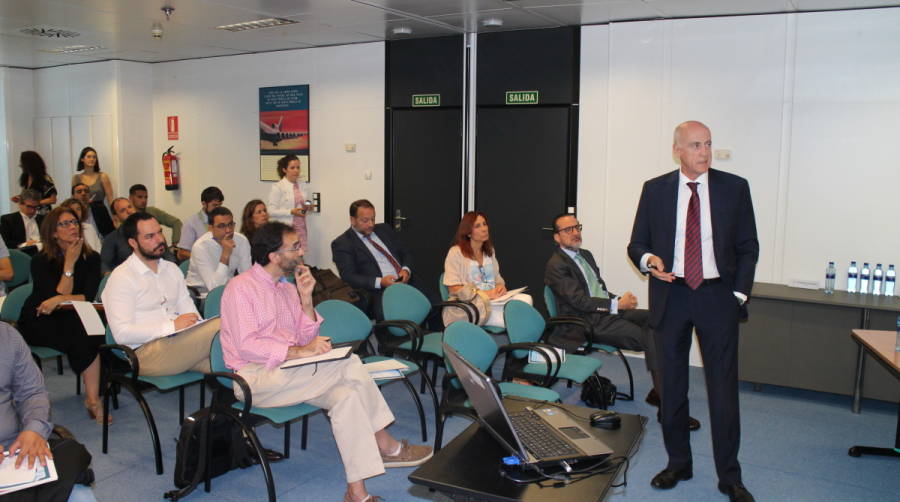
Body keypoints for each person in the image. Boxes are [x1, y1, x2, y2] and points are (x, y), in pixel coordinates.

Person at [220, 222, 432, 502]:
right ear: (274, 256)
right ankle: (387, 445)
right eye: (295, 246)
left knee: (346, 396)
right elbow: (248, 346)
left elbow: (303, 334)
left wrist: (306, 301)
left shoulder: (285, 288)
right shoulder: (241, 288)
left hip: (289, 372)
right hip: (253, 378)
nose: (302, 250)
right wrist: (298, 352)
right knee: (350, 364)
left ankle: (357, 491)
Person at [627, 120, 759, 502]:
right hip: (673, 295)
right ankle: (678, 463)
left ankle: (730, 476)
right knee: (671, 387)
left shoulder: (734, 188)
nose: (705, 152)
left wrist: (738, 294)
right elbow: (638, 243)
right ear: (678, 150)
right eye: (697, 145)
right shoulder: (655, 190)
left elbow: (749, 245)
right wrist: (649, 259)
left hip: (718, 296)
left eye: (709, 144)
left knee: (722, 388)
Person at [544, 213, 699, 428]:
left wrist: (618, 301)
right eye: (567, 230)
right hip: (587, 322)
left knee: (663, 319)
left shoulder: (585, 255)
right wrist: (617, 305)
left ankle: (658, 392)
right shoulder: (556, 265)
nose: (575, 232)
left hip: (606, 312)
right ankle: (668, 406)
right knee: (650, 336)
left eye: (576, 227)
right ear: (556, 238)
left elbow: (598, 290)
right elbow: (579, 301)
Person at [17, 207, 106, 424]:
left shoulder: (92, 257)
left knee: (94, 326)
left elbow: (87, 295)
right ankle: (94, 399)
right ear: (54, 233)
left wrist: (60, 299)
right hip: (38, 318)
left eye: (74, 222)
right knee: (81, 328)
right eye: (64, 224)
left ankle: (93, 397)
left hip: (71, 313)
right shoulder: (40, 260)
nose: (72, 227)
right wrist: (69, 264)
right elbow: (52, 298)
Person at [102, 212, 219, 376]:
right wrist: (172, 326)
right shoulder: (122, 278)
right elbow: (122, 334)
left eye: (160, 232)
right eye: (150, 236)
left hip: (179, 343)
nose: (160, 240)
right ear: (133, 243)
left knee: (235, 366)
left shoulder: (171, 269)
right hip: (145, 354)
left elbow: (190, 312)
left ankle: (222, 399)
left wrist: (197, 326)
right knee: (223, 325)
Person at [0, 322, 93, 502]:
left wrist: (33, 429)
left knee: (73, 463)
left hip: (16, 452)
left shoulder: (6, 336)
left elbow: (32, 392)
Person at [443, 211, 531, 328]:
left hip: (493, 301)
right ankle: (522, 344)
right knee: (517, 319)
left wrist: (500, 286)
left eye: (484, 224)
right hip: (470, 305)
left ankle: (521, 343)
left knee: (526, 299)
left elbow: (498, 278)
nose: (484, 229)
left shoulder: (489, 251)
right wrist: (485, 294)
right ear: (468, 233)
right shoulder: (455, 252)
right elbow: (453, 289)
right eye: (478, 226)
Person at [331, 199, 415, 320]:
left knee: (433, 306)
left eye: (373, 219)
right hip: (379, 291)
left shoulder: (385, 229)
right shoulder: (342, 243)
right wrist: (380, 282)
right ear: (352, 220)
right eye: (365, 220)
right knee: (396, 319)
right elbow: (348, 276)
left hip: (406, 280)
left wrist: (406, 270)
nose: (371, 224)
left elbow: (406, 252)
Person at [185, 207, 250, 297]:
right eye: (221, 226)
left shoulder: (241, 241)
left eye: (230, 224)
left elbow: (246, 276)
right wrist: (225, 254)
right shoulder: (200, 247)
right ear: (211, 228)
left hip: (229, 290)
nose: (228, 230)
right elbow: (215, 289)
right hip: (201, 294)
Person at [267, 154, 311, 252]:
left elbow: (306, 201)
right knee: (288, 256)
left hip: (301, 227)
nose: (296, 170)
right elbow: (270, 211)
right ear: (284, 170)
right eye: (292, 168)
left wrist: (309, 205)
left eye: (298, 167)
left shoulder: (302, 185)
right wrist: (291, 211)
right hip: (286, 228)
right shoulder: (278, 186)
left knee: (299, 255)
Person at [71, 147, 114, 236]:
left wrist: (114, 215)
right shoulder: (76, 178)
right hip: (83, 212)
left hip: (100, 212)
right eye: (89, 156)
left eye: (94, 157)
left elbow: (110, 199)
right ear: (82, 159)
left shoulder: (103, 176)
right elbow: (74, 199)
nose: (92, 159)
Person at [129, 184, 183, 250]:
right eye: (140, 197)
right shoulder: (128, 217)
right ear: (131, 198)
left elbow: (176, 222)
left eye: (146, 197)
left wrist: (175, 242)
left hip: (162, 251)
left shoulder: (152, 211)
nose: (144, 200)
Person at [177, 186, 224, 262]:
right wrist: (204, 258)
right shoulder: (191, 222)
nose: (218, 208)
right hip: (200, 265)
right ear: (204, 204)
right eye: (214, 205)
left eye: (220, 205)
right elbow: (181, 254)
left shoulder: (222, 220)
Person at [11, 151, 56, 215]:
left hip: (42, 214)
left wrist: (34, 203)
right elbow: (30, 196)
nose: (20, 165)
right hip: (28, 214)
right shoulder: (26, 178)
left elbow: (52, 200)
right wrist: (20, 198)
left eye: (22, 163)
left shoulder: (45, 178)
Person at [1, 189, 44, 254]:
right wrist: (24, 244)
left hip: (41, 254)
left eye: (35, 207)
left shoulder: (43, 219)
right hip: (20, 254)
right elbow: (4, 243)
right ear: (20, 204)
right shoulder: (8, 219)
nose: (32, 210)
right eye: (29, 206)